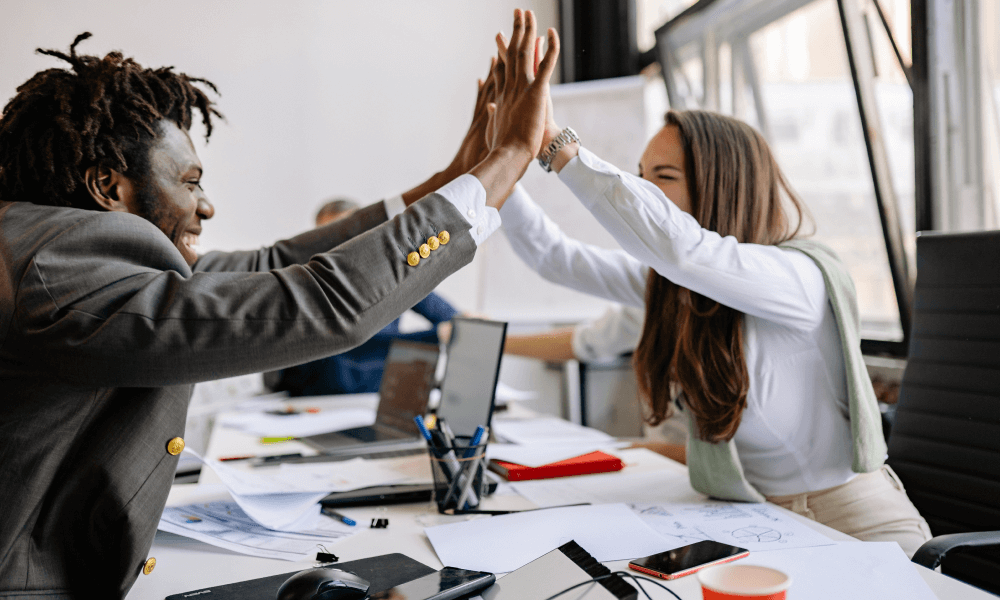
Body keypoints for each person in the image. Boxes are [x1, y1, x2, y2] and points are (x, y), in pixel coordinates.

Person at [0, 12, 558, 598]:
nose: (206, 205)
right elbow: (324, 303)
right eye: (190, 182)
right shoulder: (57, 272)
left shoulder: (51, 250)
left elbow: (269, 264)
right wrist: (514, 154)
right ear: (109, 187)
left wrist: (449, 180)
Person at [496, 82, 931, 555]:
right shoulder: (671, 286)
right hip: (758, 519)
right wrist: (500, 165)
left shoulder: (797, 277)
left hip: (857, 521)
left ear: (722, 186)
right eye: (639, 176)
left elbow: (682, 249)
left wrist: (556, 145)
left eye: (662, 177)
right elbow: (554, 259)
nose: (643, 192)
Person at [270, 199, 459, 395]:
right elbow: (359, 341)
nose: (335, 245)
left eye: (344, 234)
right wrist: (434, 336)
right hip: (321, 394)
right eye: (325, 237)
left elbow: (446, 314)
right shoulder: (310, 283)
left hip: (376, 392)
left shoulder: (391, 271)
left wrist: (463, 324)